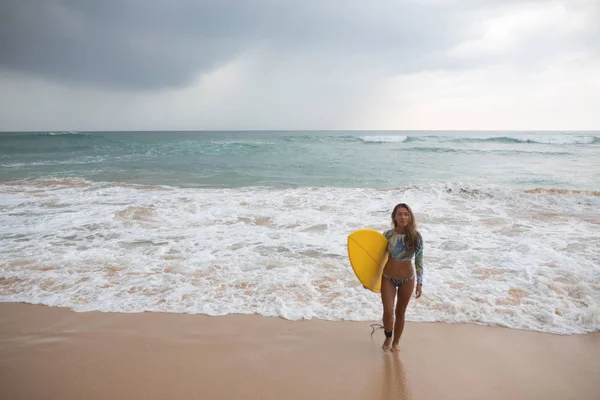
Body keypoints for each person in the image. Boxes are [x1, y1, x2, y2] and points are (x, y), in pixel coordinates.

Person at [380, 203, 423, 352]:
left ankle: (396, 342)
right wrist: (368, 279)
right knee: (388, 310)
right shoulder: (388, 235)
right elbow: (377, 258)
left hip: (407, 279)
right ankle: (388, 336)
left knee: (400, 312)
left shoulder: (416, 236)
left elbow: (419, 260)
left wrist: (420, 283)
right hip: (388, 277)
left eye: (406, 214)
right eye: (400, 214)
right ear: (394, 217)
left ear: (410, 216)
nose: (403, 217)